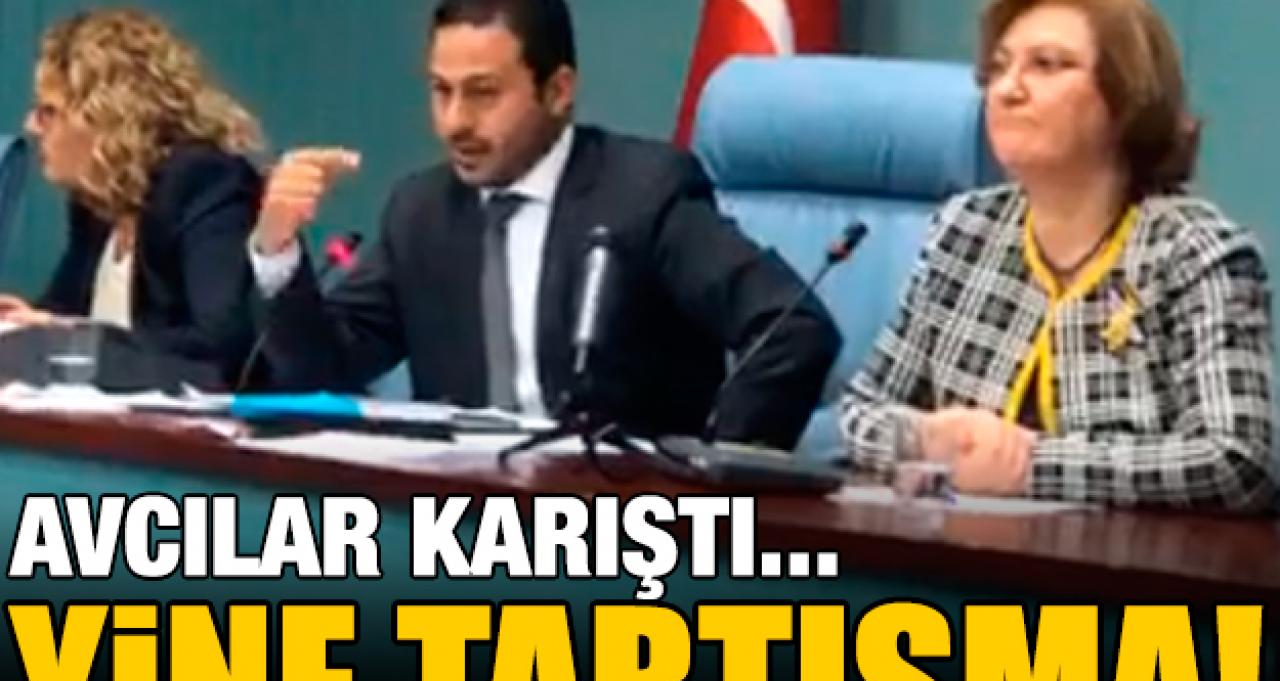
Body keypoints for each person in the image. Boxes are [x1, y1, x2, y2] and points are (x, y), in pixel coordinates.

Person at [249, 0, 840, 451]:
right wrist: (277, 250)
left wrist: (714, 471)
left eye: (483, 94)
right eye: (441, 91)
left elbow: (791, 329)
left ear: (558, 91)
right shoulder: (422, 211)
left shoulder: (642, 194)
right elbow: (325, 371)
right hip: (466, 524)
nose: (455, 122)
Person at [841, 0, 1275, 509]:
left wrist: (1032, 466)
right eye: (999, 68)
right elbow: (859, 411)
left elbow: (1239, 458)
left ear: (1126, 97)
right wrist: (923, 438)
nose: (1008, 89)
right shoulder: (965, 229)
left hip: (1123, 556)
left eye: (1046, 65)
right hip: (957, 544)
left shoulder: (1193, 251)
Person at [0, 9, 266, 388]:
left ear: (105, 118)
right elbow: (63, 312)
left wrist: (65, 332)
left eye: (48, 112)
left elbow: (219, 344)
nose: (30, 126)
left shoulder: (203, 180)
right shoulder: (95, 200)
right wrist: (20, 324)